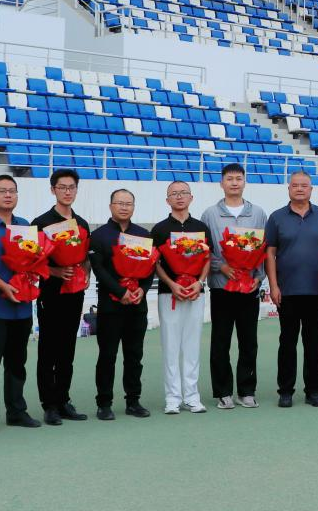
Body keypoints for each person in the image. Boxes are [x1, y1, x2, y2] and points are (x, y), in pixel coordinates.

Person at [0, 174, 41, 434]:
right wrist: (3, 286)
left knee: (17, 363)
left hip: (21, 307)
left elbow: (33, 259)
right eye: (2, 191)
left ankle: (16, 411)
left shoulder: (25, 226)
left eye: (12, 190)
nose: (8, 195)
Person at [264, 170, 318, 407]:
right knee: (287, 342)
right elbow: (270, 253)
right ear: (288, 188)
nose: (299, 189)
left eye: (304, 185)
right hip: (287, 291)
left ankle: (313, 391)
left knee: (312, 342)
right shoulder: (276, 217)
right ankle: (285, 391)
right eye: (295, 185)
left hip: (316, 290)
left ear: (311, 189)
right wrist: (273, 285)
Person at [201, 163, 268, 409]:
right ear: (221, 183)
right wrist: (222, 267)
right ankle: (223, 392)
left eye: (238, 178)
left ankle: (247, 390)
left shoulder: (258, 213)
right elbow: (205, 250)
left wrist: (259, 278)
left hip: (249, 288)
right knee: (221, 341)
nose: (234, 183)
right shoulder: (210, 214)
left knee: (249, 341)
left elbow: (264, 248)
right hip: (222, 287)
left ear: (244, 182)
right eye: (229, 179)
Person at [88, 189, 156, 420]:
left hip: (137, 305)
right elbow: (99, 270)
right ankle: (104, 403)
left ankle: (133, 401)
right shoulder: (99, 236)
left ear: (134, 207)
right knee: (107, 356)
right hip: (110, 306)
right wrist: (120, 291)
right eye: (120, 203)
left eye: (129, 203)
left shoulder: (143, 235)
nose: (124, 207)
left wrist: (141, 290)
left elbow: (149, 268)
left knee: (134, 356)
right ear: (111, 206)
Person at [32, 168, 91, 425]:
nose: (67, 192)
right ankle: (49, 405)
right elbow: (31, 261)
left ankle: (64, 400)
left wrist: (85, 274)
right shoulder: (41, 223)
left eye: (71, 187)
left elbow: (86, 257)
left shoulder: (82, 224)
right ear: (53, 190)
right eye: (62, 187)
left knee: (68, 348)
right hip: (50, 294)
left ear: (76, 190)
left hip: (74, 294)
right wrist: (56, 271)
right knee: (48, 349)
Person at [152, 181, 211, 415]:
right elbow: (155, 262)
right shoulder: (159, 229)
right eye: (174, 194)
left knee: (192, 345)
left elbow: (207, 258)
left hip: (196, 293)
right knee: (170, 345)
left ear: (191, 197)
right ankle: (172, 398)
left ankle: (192, 396)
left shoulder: (201, 227)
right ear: (167, 200)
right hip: (170, 294)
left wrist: (199, 282)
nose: (179, 197)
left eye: (183, 193)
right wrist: (171, 283)